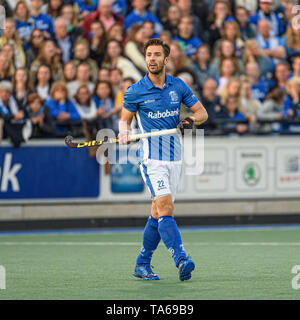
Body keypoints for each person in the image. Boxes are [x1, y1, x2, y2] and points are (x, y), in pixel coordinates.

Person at [118, 38, 208, 281]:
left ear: (166, 59)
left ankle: (142, 264)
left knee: (158, 213)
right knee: (166, 208)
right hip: (151, 159)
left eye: (157, 55)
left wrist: (190, 120)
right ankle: (181, 260)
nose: (152, 59)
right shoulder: (135, 90)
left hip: (174, 158)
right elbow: (124, 120)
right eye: (148, 55)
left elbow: (202, 113)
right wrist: (124, 132)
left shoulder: (178, 86)